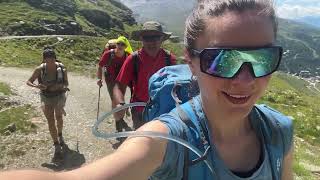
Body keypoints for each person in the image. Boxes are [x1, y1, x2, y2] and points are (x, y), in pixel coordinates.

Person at [0, 0, 293, 179]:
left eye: (261, 58)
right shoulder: (137, 66)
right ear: (190, 61)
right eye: (221, 60)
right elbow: (120, 83)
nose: (244, 80)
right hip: (145, 113)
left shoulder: (280, 131)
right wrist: (119, 112)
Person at [113, 21, 176, 130]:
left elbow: (176, 86)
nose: (151, 42)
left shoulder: (169, 59)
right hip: (139, 111)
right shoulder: (133, 59)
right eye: (147, 38)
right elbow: (119, 86)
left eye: (155, 37)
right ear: (141, 39)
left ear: (162, 39)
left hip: (164, 110)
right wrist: (121, 103)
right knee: (142, 140)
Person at [26, 47, 69, 161]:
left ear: (55, 58)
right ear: (44, 60)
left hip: (59, 96)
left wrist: (60, 86)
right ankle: (56, 145)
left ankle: (60, 135)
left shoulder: (62, 68)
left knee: (58, 117)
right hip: (45, 97)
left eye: (52, 59)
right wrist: (36, 86)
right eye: (47, 59)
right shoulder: (40, 69)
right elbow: (29, 81)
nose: (50, 62)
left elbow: (66, 83)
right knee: (50, 120)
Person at [97, 36, 133, 133]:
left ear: (126, 47)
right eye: (119, 43)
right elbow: (100, 66)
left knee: (120, 99)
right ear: (116, 44)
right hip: (111, 81)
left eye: (123, 44)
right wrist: (99, 79)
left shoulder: (128, 56)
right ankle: (118, 125)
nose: (120, 46)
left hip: (122, 80)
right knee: (115, 100)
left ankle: (121, 113)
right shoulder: (108, 54)